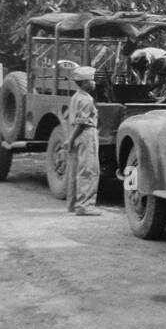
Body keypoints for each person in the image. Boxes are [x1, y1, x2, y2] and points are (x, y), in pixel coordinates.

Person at [65, 66, 101, 217]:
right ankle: (85, 206)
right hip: (86, 134)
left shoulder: (76, 97)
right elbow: (82, 122)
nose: (94, 83)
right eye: (91, 80)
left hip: (76, 135)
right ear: (85, 83)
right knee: (89, 170)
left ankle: (73, 204)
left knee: (75, 170)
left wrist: (70, 139)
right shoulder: (86, 99)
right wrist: (71, 139)